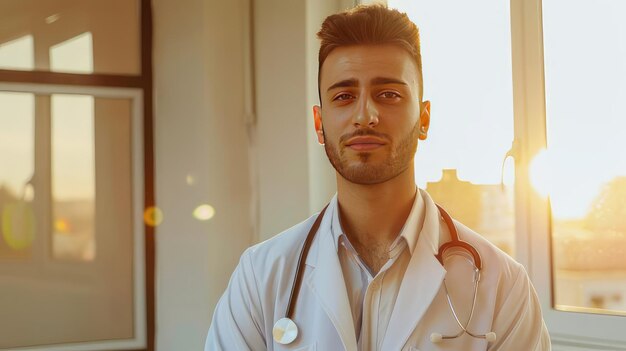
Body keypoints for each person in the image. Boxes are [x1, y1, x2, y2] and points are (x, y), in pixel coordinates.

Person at [206, 4, 550, 351]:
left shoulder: (502, 286)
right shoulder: (260, 277)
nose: (365, 115)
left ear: (424, 118)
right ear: (319, 123)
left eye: (388, 95)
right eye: (343, 96)